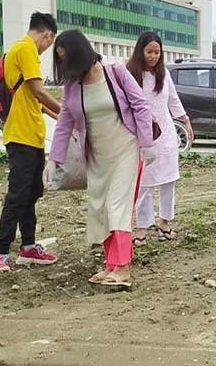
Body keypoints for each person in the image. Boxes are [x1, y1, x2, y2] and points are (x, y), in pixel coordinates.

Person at [50, 30, 155, 286]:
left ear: (80, 54)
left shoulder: (115, 72)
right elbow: (65, 122)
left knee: (117, 206)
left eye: (67, 60)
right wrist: (54, 158)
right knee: (100, 208)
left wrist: (146, 144)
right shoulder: (72, 86)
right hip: (96, 156)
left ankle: (123, 267)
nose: (65, 66)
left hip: (125, 148)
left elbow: (140, 105)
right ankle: (111, 265)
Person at [0, 12, 61, 274]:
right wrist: (67, 112)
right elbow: (41, 91)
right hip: (21, 137)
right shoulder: (26, 49)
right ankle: (1, 254)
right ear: (47, 36)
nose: (46, 49)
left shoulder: (16, 51)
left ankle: (28, 248)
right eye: (49, 43)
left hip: (30, 136)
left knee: (30, 194)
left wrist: (60, 117)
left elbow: (35, 101)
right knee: (17, 195)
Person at [127, 31, 193, 246]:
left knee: (168, 179)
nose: (154, 56)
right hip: (142, 136)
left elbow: (173, 100)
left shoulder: (163, 74)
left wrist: (185, 120)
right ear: (141, 51)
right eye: (149, 52)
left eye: (157, 52)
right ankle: (141, 226)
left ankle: (164, 220)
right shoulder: (130, 74)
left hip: (165, 134)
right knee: (144, 184)